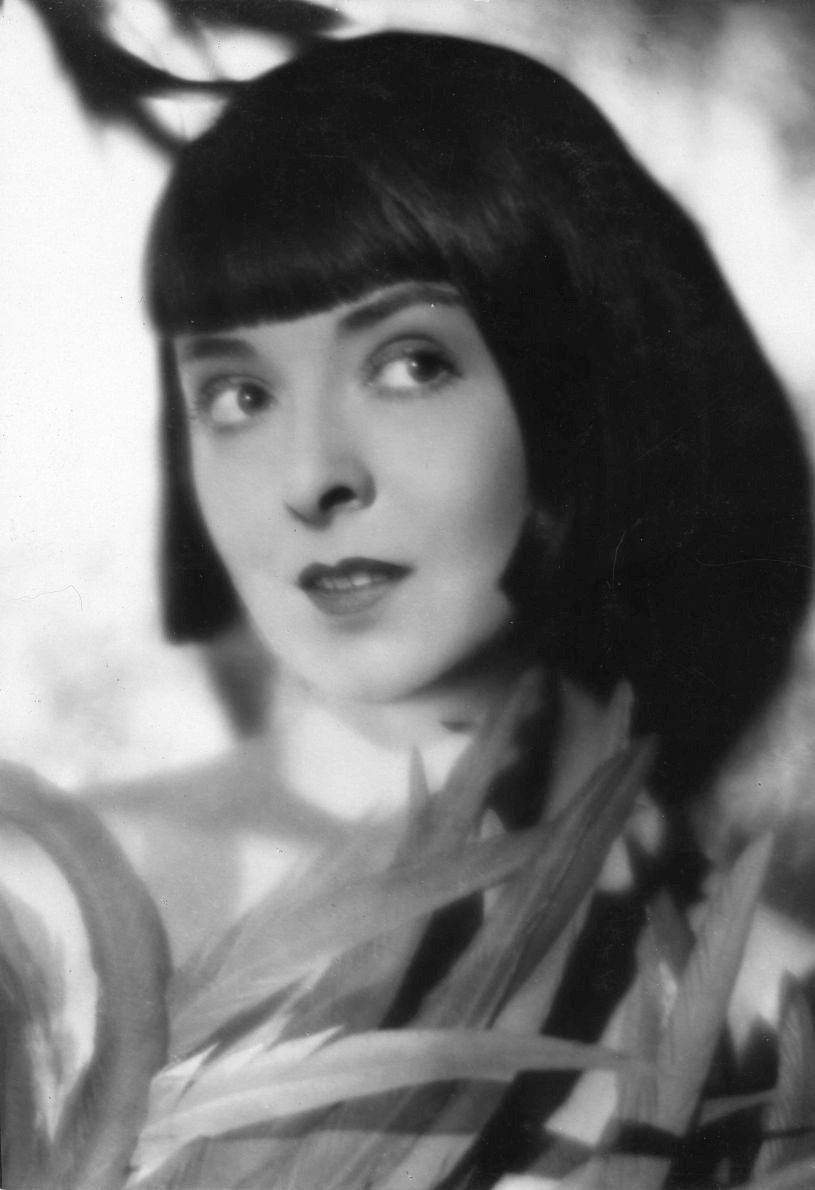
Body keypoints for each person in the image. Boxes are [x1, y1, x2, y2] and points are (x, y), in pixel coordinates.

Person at [1, 30, 812, 1190]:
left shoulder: (770, 1012)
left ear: (577, 383)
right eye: (237, 392)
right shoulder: (36, 921)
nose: (309, 476)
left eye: (410, 363)